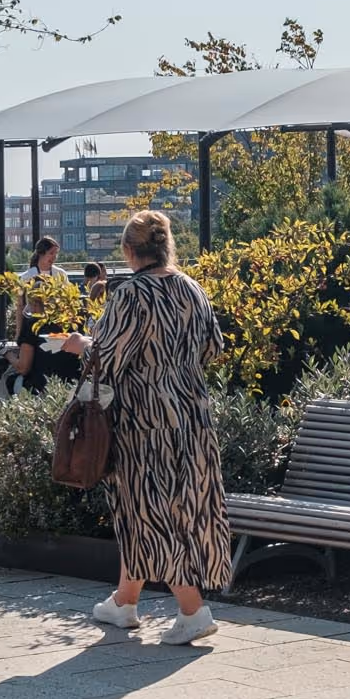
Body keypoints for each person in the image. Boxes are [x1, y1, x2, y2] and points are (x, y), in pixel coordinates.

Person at [83, 208, 231, 643]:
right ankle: (124, 601)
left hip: (145, 423)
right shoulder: (191, 287)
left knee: (153, 509)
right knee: (158, 508)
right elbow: (213, 348)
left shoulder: (131, 295)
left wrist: (80, 343)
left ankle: (193, 610)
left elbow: (106, 359)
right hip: (192, 416)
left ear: (130, 251)